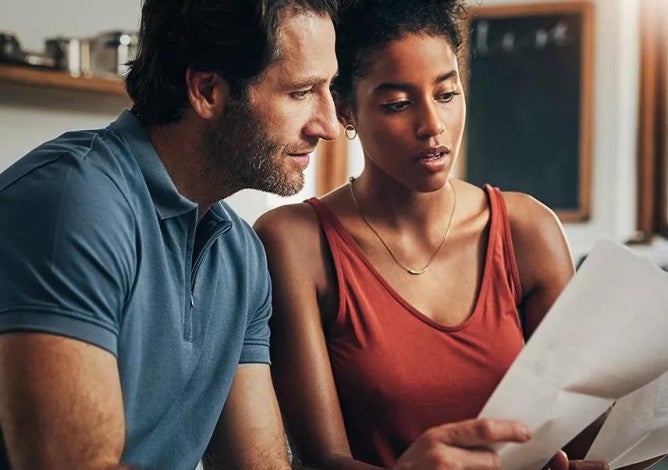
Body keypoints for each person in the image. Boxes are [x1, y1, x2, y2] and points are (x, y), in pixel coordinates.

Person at [253, 0, 632, 469]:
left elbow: (586, 438)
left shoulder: (526, 231)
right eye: (398, 104)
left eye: (447, 95)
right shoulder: (295, 242)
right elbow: (321, 459)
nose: (432, 125)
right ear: (346, 111)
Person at [0, 0, 341, 468]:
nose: (328, 125)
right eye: (301, 92)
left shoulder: (240, 255)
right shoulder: (72, 202)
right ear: (206, 90)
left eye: (330, 89)